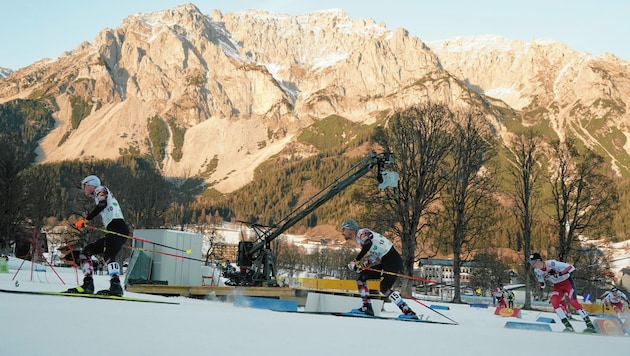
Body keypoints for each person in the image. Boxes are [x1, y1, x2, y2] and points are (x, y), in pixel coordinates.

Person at [65, 175, 129, 296]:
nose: (84, 189)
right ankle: (88, 284)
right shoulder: (98, 193)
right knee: (86, 252)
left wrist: (86, 220)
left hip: (118, 227)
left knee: (109, 255)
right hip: (114, 228)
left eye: (84, 186)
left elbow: (102, 204)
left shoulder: (100, 189)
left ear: (90, 184)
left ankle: (116, 286)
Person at [341, 219, 418, 319]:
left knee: (384, 288)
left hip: (392, 261)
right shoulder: (360, 241)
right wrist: (363, 266)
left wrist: (356, 261)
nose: (342, 232)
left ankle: (408, 311)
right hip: (386, 261)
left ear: (350, 229)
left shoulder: (362, 233)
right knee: (362, 276)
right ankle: (367, 307)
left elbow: (368, 245)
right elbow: (374, 256)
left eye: (343, 229)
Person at [530, 252, 595, 333]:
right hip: (558, 286)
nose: (533, 265)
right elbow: (542, 284)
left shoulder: (551, 263)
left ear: (539, 260)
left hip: (567, 283)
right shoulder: (537, 271)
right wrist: (541, 284)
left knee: (573, 301)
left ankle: (589, 324)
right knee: (554, 302)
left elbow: (571, 267)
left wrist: (559, 274)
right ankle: (568, 326)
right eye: (530, 262)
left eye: (533, 262)